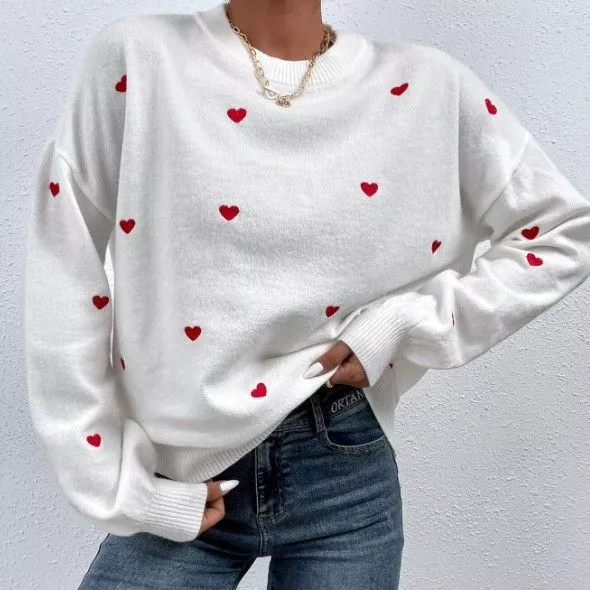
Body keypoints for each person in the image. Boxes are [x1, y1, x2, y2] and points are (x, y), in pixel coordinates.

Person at [24, 1, 590, 588]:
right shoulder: (140, 59)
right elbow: (64, 269)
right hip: (178, 471)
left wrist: (407, 323)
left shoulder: (428, 87)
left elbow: (563, 230)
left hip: (344, 468)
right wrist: (120, 489)